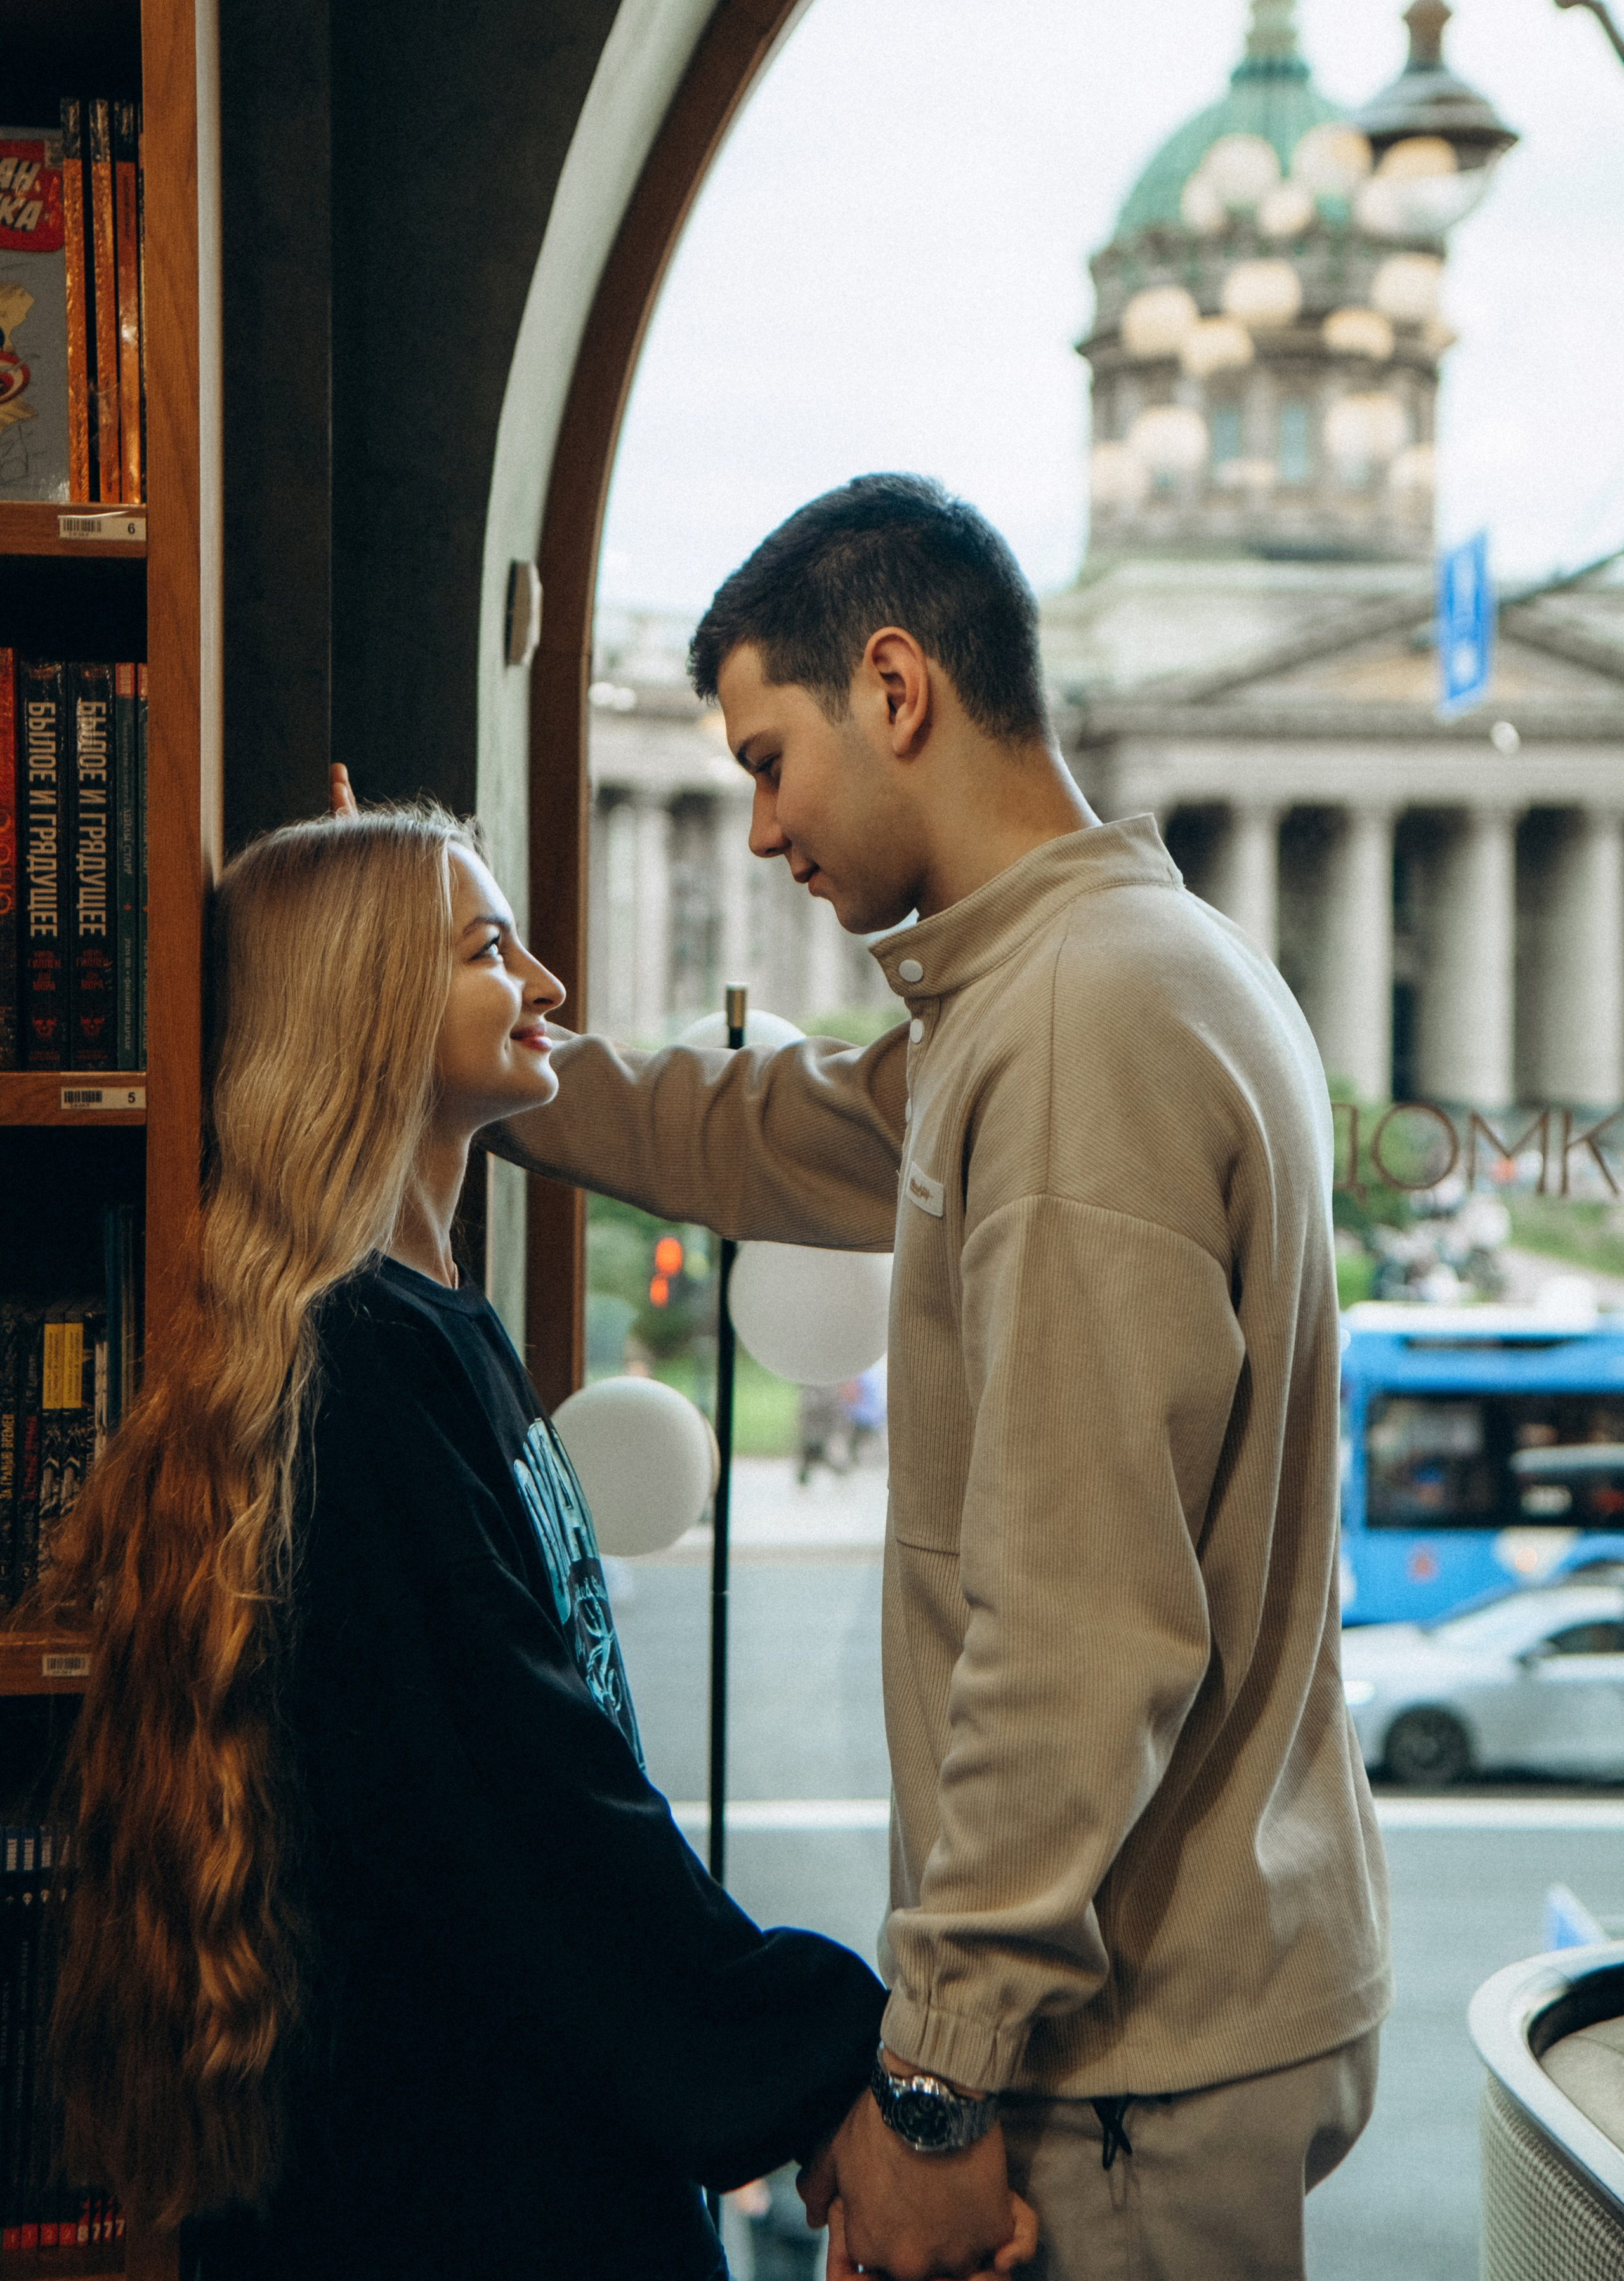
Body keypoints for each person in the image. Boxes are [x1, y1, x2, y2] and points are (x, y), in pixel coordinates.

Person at [480, 473, 1394, 2281]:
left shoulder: (1076, 1027)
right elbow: (766, 1129)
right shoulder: (1094, 976)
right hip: (1171, 2026)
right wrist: (487, 1051)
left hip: (1117, 2066)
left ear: (895, 687)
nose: (757, 833)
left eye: (766, 762)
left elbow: (1078, 1620)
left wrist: (934, 2082)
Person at [30, 801, 1038, 2280]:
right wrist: (823, 2071)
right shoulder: (359, 1365)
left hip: (500, 2144)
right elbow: (524, 1797)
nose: (549, 984)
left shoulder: (427, 1327)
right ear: (366, 1007)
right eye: (489, 948)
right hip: (451, 2190)